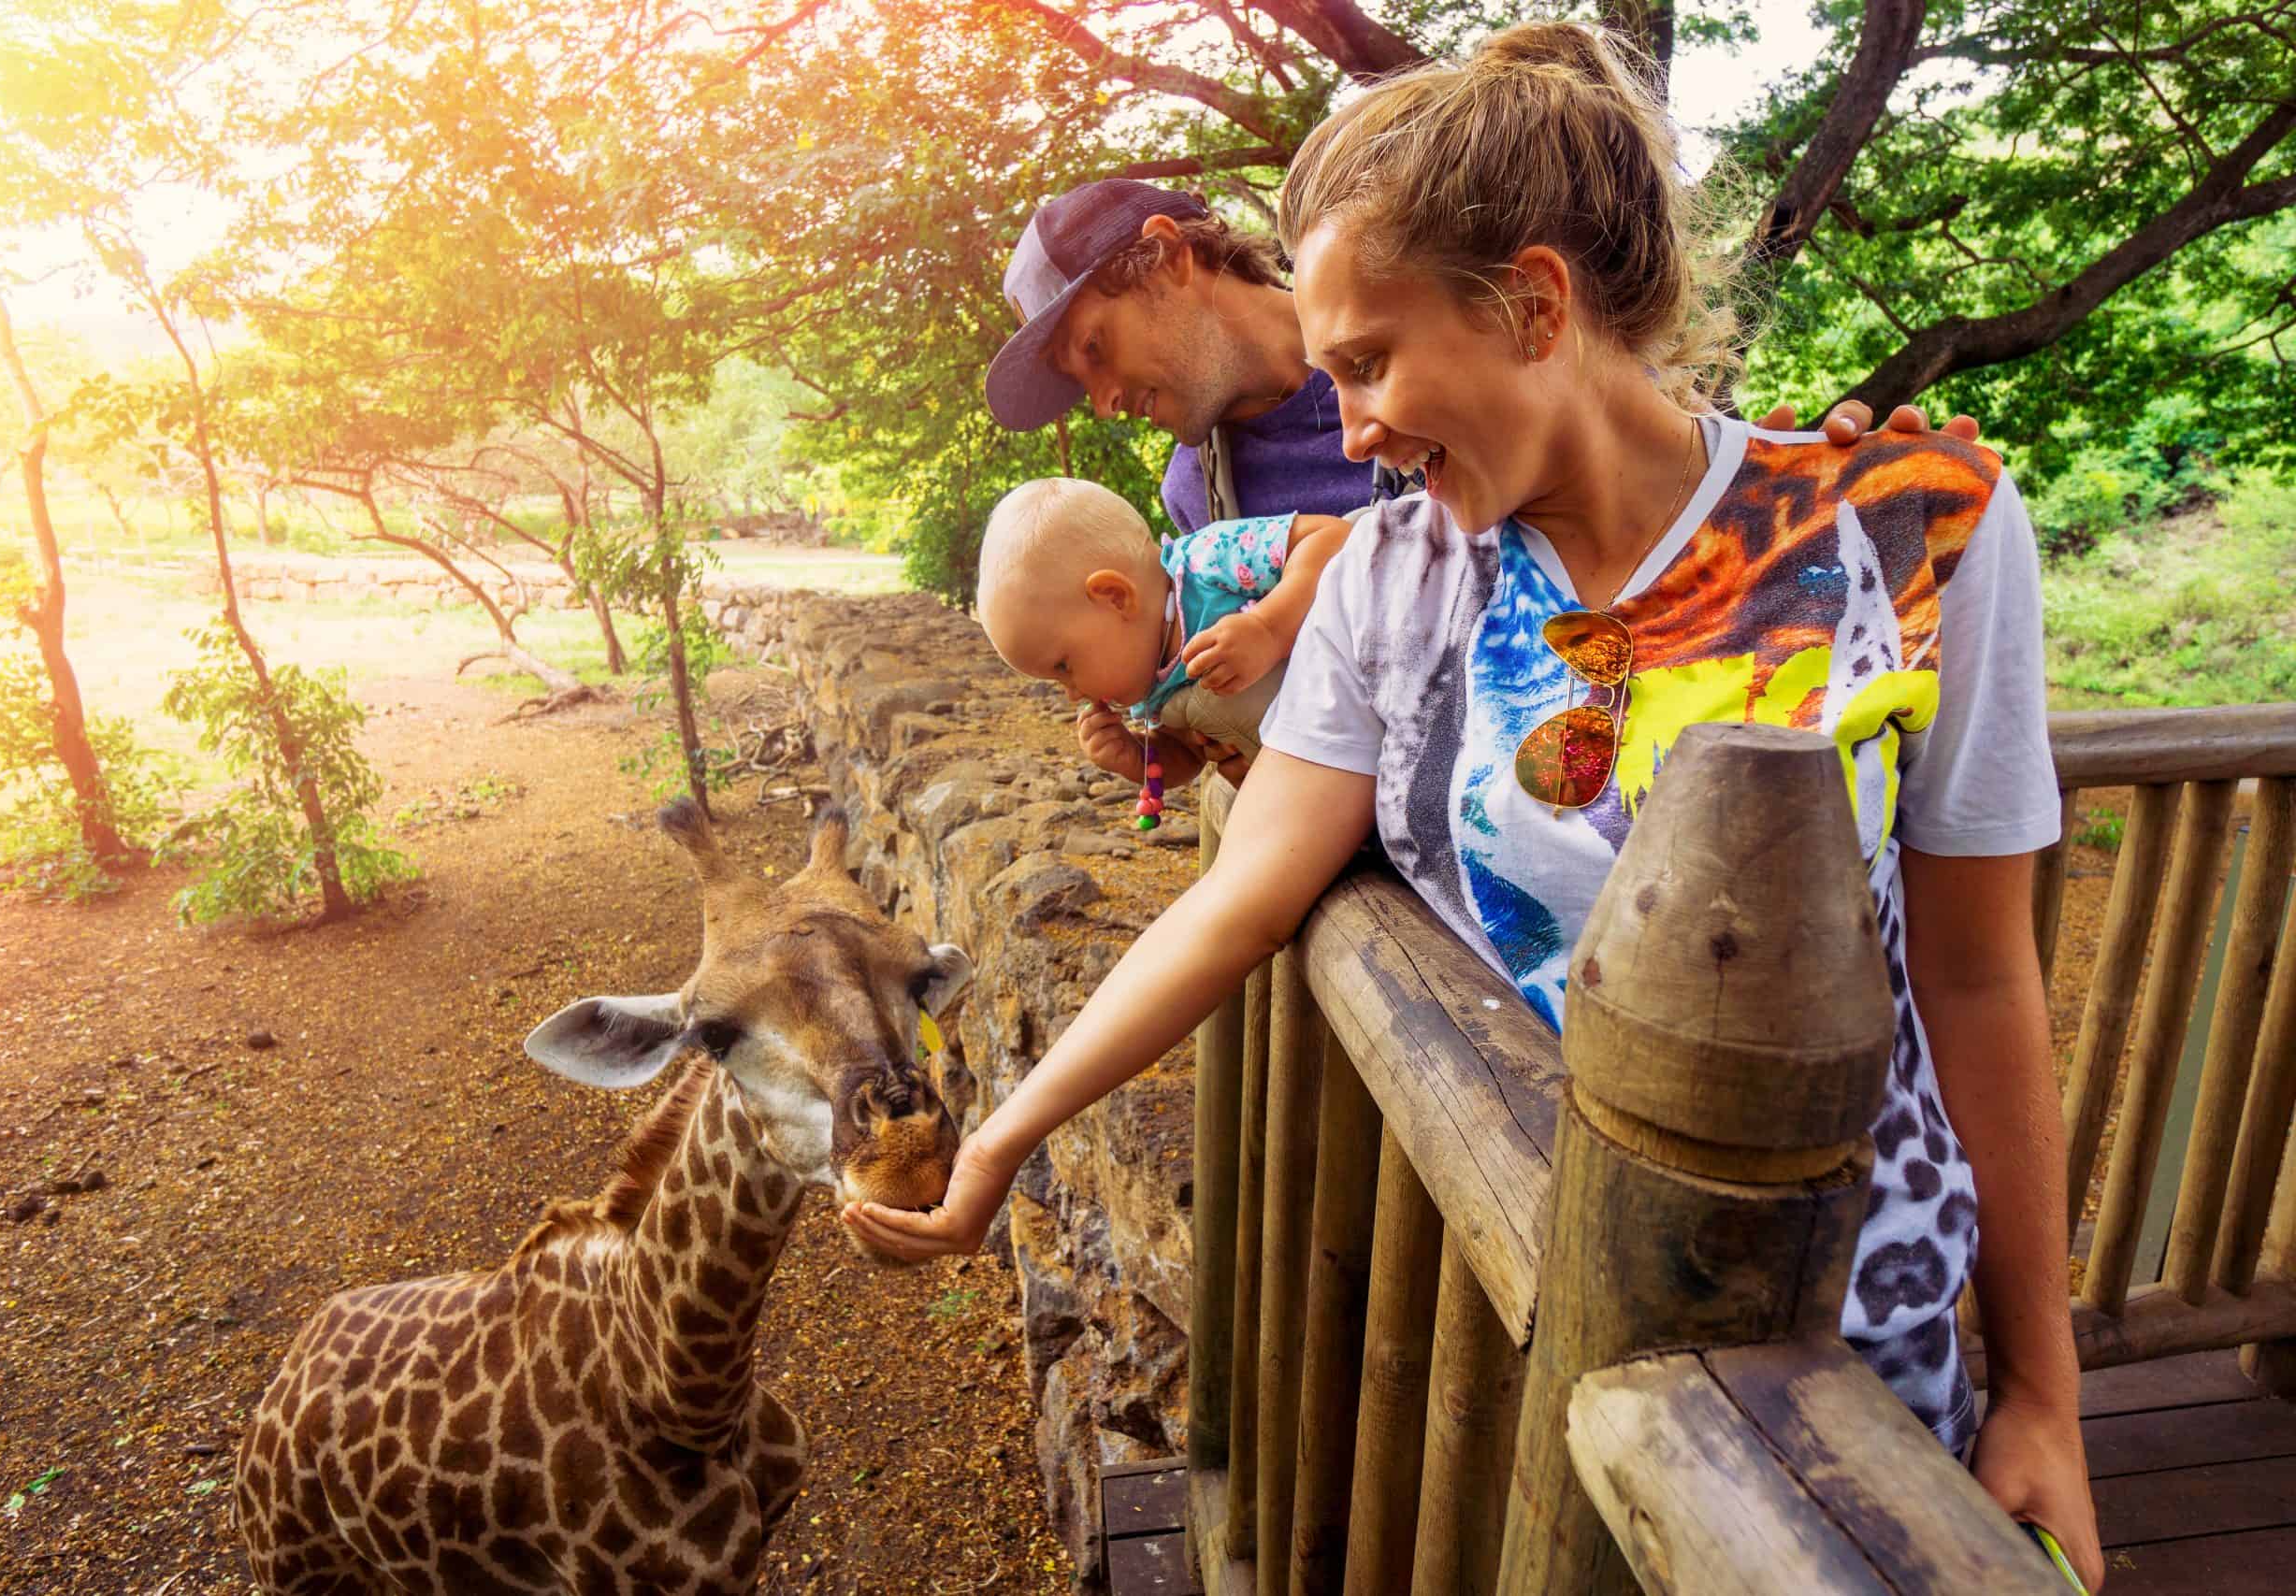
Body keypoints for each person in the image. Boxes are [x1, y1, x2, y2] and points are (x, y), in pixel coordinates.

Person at [887, 21, 2102, 1584]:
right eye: (1332, 376)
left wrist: (2046, 1396)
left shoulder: (1913, 534)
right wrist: (1005, 1134)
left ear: (1534, 304)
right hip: (1529, 1302)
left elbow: (1985, 975)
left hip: (1856, 1332)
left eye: (1372, 363)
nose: (1353, 432)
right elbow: (1240, 895)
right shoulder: (1395, 578)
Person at [983, 178, 1982, 784]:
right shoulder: (1197, 503)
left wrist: (1816, 475)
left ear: (1163, 260)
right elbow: (1275, 743)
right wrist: (1174, 753)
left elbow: (1672, 514)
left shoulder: (1468, 347)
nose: (1103, 399)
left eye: (1096, 350)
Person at [976, 478, 1350, 784]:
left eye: (1063, 667)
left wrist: (1268, 627)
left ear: (1115, 598)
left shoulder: (1209, 562)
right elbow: (1188, 759)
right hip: (1324, 778)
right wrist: (1138, 756)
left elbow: (1336, 538)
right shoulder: (1151, 684)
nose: (1073, 695)